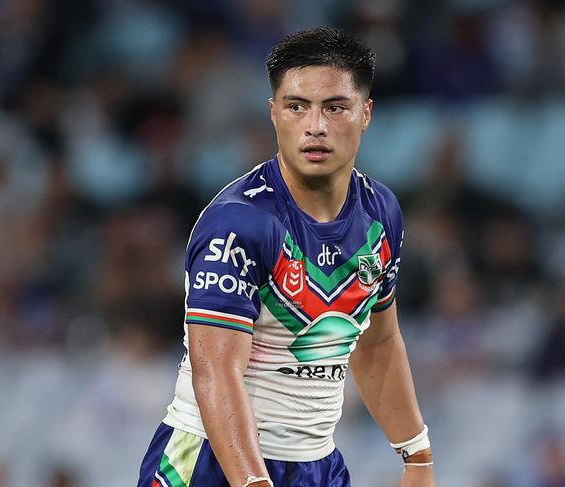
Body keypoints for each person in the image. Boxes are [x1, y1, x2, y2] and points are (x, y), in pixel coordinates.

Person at [137, 27, 436, 487]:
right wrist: (254, 483)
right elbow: (216, 372)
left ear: (366, 113)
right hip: (209, 463)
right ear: (274, 114)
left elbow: (377, 344)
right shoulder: (238, 222)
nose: (315, 126)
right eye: (297, 107)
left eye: (335, 107)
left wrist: (417, 455)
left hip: (316, 466)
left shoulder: (382, 213)